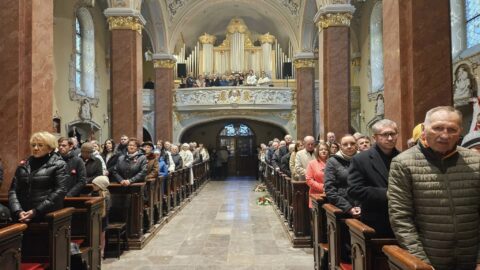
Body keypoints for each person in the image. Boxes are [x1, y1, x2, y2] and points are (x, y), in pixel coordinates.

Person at [388, 106, 480, 270]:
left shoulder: (475, 161)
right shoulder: (403, 163)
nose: (444, 135)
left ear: (460, 131)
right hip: (429, 257)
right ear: (424, 129)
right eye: (437, 128)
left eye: (452, 129)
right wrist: (422, 263)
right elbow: (401, 218)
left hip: (472, 258)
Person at [347, 119, 400, 237]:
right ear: (375, 137)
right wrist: (387, 193)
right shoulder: (361, 159)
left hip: (402, 219)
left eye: (393, 134)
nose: (390, 138)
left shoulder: (403, 157)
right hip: (376, 221)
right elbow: (354, 190)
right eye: (385, 134)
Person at [9, 132, 69, 222]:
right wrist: (18, 211)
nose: (35, 148)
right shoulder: (24, 165)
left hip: (46, 216)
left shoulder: (59, 165)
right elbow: (13, 190)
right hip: (22, 216)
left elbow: (60, 190)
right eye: (33, 145)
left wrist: (36, 211)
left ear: (50, 148)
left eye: (40, 145)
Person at [324, 134, 360, 263]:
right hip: (343, 209)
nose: (349, 147)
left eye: (352, 143)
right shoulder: (333, 161)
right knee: (347, 244)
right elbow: (330, 189)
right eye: (345, 144)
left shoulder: (363, 159)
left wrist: (361, 206)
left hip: (363, 207)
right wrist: (348, 208)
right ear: (340, 146)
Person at [305, 143, 329, 208]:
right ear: (318, 151)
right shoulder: (312, 163)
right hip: (316, 195)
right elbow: (309, 180)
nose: (323, 151)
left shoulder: (332, 162)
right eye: (321, 149)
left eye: (326, 149)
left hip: (331, 194)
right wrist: (323, 188)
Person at [91, 176, 110, 258]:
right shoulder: (92, 193)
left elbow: (107, 208)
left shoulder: (106, 196)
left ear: (100, 186)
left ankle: (101, 252)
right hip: (95, 218)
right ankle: (95, 251)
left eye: (94, 185)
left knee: (102, 235)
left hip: (103, 218)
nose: (92, 186)